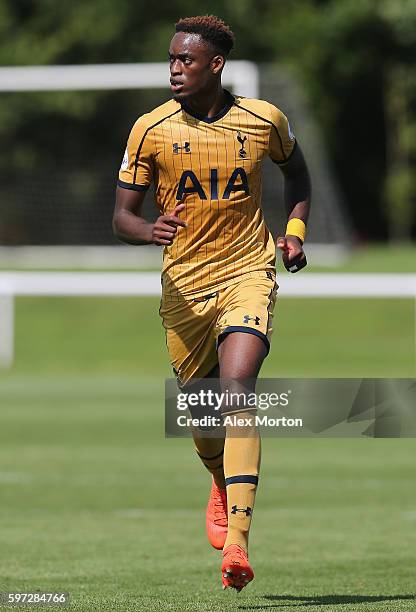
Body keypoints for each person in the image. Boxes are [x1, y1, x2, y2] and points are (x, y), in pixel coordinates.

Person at [113, 14, 311, 592]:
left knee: (238, 393)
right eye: (172, 59)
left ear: (215, 65)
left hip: (248, 271)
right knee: (202, 417)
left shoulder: (263, 120)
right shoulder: (150, 129)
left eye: (186, 60)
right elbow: (121, 217)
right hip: (184, 288)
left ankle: (239, 546)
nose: (175, 69)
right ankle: (220, 480)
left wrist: (294, 231)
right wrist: (146, 230)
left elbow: (297, 177)